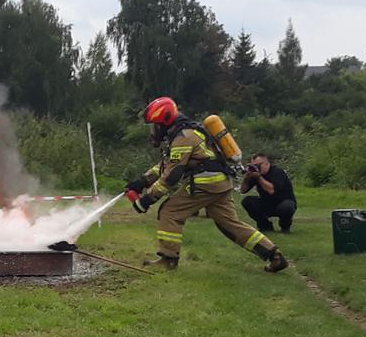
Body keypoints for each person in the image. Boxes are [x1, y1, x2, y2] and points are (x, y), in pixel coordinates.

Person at [123, 96, 289, 273]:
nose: (153, 131)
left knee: (169, 212)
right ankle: (274, 255)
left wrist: (147, 200)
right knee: (229, 224)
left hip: (205, 184)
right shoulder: (185, 133)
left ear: (165, 122)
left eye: (155, 126)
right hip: (220, 183)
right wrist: (142, 181)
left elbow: (171, 176)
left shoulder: (183, 137)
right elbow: (167, 165)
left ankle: (168, 260)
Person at [240, 152, 298, 233]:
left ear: (266, 163)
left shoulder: (277, 172)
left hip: (283, 202)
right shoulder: (256, 174)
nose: (256, 168)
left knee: (287, 207)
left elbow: (271, 190)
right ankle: (265, 226)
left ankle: (285, 226)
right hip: (267, 203)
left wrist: (259, 177)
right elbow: (243, 190)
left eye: (258, 165)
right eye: (254, 165)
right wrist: (247, 177)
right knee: (247, 201)